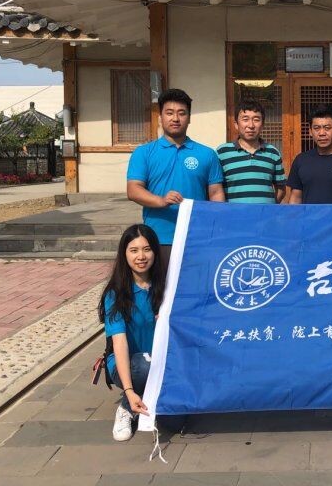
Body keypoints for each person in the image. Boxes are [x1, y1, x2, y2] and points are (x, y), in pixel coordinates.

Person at [126, 88, 225, 266]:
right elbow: (133, 190)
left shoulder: (207, 154)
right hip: (157, 238)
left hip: (197, 237)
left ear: (189, 118)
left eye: (181, 113)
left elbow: (216, 193)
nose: (175, 118)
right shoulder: (144, 153)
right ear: (160, 117)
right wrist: (161, 200)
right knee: (160, 284)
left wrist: (215, 227)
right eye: (169, 113)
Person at [97, 224, 167, 442]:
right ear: (124, 254)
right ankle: (127, 406)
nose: (141, 256)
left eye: (147, 249)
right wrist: (128, 390)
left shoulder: (167, 287)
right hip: (129, 363)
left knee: (177, 422)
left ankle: (150, 396)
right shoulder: (115, 294)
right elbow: (119, 343)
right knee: (144, 367)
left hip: (161, 359)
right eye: (134, 250)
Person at [217, 99, 286, 204]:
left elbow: (280, 189)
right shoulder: (222, 153)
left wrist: (267, 207)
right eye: (245, 119)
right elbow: (215, 189)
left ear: (262, 124)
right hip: (234, 214)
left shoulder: (273, 153)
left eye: (256, 120)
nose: (251, 125)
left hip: (264, 214)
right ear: (236, 124)